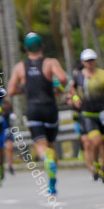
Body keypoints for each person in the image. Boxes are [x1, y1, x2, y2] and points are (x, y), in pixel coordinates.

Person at [7, 32, 67, 195]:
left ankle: (46, 159)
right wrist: (56, 88)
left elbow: (11, 90)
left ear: (26, 49)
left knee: (40, 145)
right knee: (51, 145)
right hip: (50, 109)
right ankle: (52, 183)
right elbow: (62, 78)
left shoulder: (20, 67)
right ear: (42, 46)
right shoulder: (50, 63)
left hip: (33, 109)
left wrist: (26, 89)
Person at [72, 49, 104, 183]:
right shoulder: (78, 76)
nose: (90, 63)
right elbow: (72, 88)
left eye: (92, 60)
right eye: (87, 61)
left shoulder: (103, 74)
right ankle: (95, 163)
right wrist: (75, 98)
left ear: (95, 60)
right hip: (87, 114)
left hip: (102, 113)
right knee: (95, 142)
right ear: (82, 62)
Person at [67, 64, 88, 164]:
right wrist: (72, 99)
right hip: (77, 116)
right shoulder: (73, 86)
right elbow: (68, 99)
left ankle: (87, 152)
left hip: (88, 114)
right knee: (81, 137)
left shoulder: (86, 82)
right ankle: (82, 150)